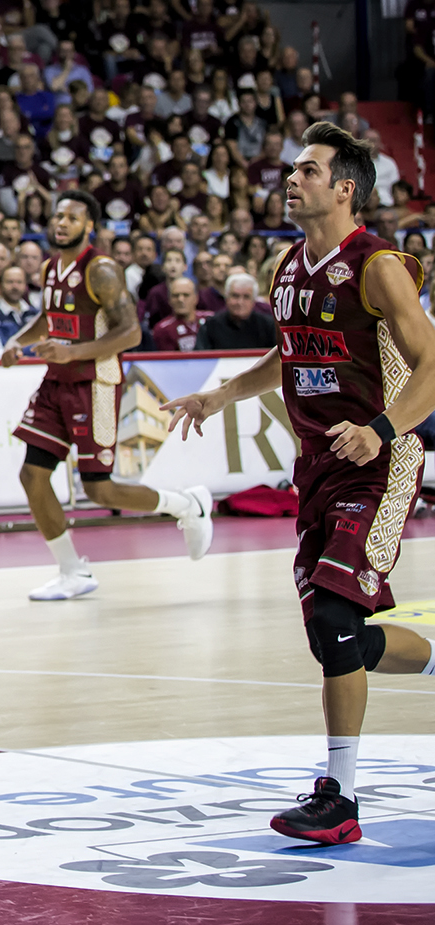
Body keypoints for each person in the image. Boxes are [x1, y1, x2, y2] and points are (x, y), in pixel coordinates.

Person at [162, 122, 435, 846]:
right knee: (336, 639)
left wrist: (380, 426)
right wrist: (218, 396)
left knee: (335, 625)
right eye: (294, 168)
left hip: (379, 463)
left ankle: (339, 797)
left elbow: (432, 364)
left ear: (344, 186)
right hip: (317, 466)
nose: (293, 178)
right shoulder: (288, 264)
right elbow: (285, 356)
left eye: (308, 170)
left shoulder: (377, 266)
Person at [1, 191, 213, 601]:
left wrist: (71, 352)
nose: (61, 222)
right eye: (58, 215)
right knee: (32, 474)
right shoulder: (49, 267)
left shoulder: (101, 270)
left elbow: (130, 333)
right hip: (55, 382)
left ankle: (187, 505)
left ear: (89, 226)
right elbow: (48, 318)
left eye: (72, 217)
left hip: (95, 384)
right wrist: (18, 343)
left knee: (99, 489)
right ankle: (71, 570)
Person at [199, 271, 278, 349]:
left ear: (254, 301)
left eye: (246, 297)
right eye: (235, 296)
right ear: (226, 298)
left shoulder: (268, 326)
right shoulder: (211, 325)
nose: (240, 302)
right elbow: (200, 357)